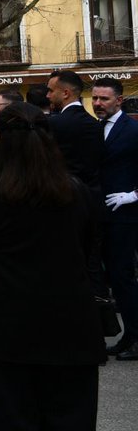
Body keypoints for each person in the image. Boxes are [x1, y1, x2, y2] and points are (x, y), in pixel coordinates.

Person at [0, 102, 105, 429]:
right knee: (71, 417)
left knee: (11, 417)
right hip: (70, 321)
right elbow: (87, 247)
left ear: (1, 141)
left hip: (2, 323)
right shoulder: (76, 191)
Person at [91, 77, 138, 360]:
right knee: (116, 279)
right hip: (104, 213)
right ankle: (128, 335)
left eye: (104, 99)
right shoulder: (96, 129)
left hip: (128, 215)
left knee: (124, 276)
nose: (97, 104)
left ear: (118, 100)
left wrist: (133, 195)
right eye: (95, 98)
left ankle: (134, 336)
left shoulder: (133, 130)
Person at [46, 69, 104, 189]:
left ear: (66, 93)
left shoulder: (54, 123)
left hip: (64, 194)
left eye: (51, 91)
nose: (48, 95)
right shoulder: (95, 124)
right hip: (93, 196)